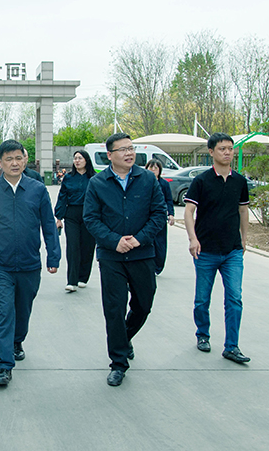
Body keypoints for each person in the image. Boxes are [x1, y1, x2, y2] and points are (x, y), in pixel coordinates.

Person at [0, 140, 61, 387]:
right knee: (4, 312)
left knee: (23, 309)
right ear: (0, 163)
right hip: (0, 265)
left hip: (30, 264)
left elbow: (48, 225)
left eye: (18, 158)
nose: (14, 163)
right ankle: (4, 366)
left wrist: (53, 256)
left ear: (25, 160)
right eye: (9, 159)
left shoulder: (37, 190)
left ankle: (17, 340)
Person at [83, 132, 167, 387]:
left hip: (142, 253)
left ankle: (124, 337)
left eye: (131, 148)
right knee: (114, 309)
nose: (129, 153)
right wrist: (114, 241)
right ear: (109, 155)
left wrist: (139, 239)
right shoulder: (97, 183)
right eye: (123, 149)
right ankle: (118, 363)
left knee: (144, 304)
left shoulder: (147, 179)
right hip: (112, 257)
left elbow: (159, 213)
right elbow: (91, 219)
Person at [183, 133, 251, 364]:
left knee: (235, 299)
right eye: (222, 148)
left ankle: (232, 346)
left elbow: (243, 210)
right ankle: (203, 334)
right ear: (211, 152)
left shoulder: (239, 181)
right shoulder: (201, 181)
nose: (227, 152)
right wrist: (193, 239)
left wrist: (244, 239)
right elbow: (189, 212)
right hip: (206, 251)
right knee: (202, 299)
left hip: (232, 251)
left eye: (230, 148)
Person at [54, 150, 97, 292]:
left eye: (80, 158)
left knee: (87, 246)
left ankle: (83, 277)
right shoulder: (68, 178)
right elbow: (62, 196)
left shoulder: (94, 178)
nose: (77, 161)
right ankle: (71, 281)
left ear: (86, 160)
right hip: (72, 214)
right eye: (75, 158)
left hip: (89, 215)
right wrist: (59, 217)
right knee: (73, 247)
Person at [144, 159, 175, 275]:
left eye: (155, 168)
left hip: (159, 218)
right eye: (150, 168)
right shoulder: (142, 183)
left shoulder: (164, 184)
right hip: (146, 217)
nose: (153, 170)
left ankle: (158, 267)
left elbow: (169, 200)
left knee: (160, 243)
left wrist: (171, 214)